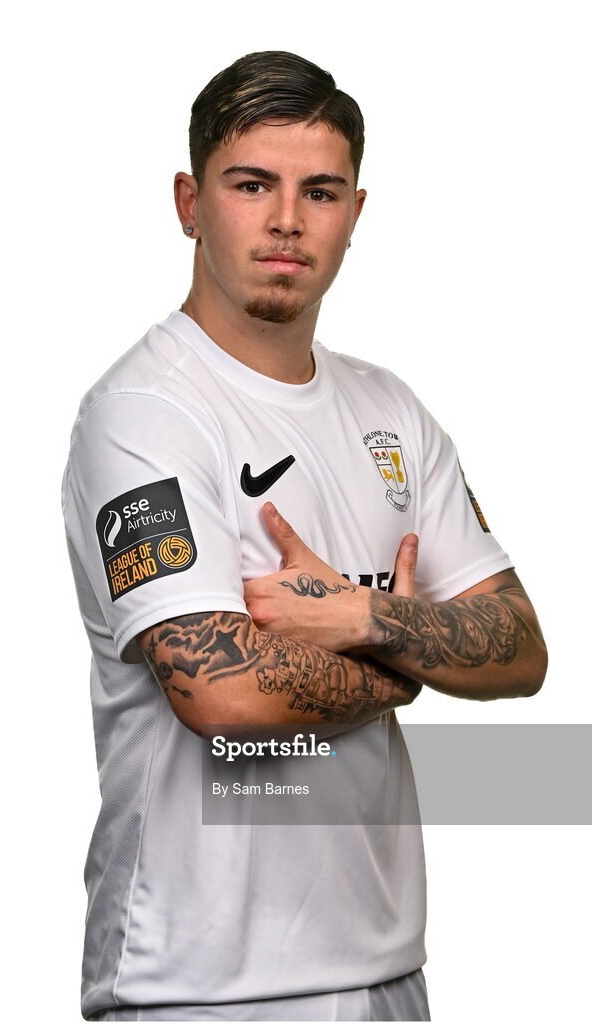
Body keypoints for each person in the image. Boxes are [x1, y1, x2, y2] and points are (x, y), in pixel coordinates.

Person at [62, 50, 547, 1022]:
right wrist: (405, 665)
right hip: (196, 982)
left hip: (386, 967)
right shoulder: (144, 413)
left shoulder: (391, 412)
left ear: (354, 214)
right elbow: (226, 694)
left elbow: (521, 649)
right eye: (252, 185)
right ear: (190, 203)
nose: (287, 219)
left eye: (319, 192)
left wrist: (362, 616)